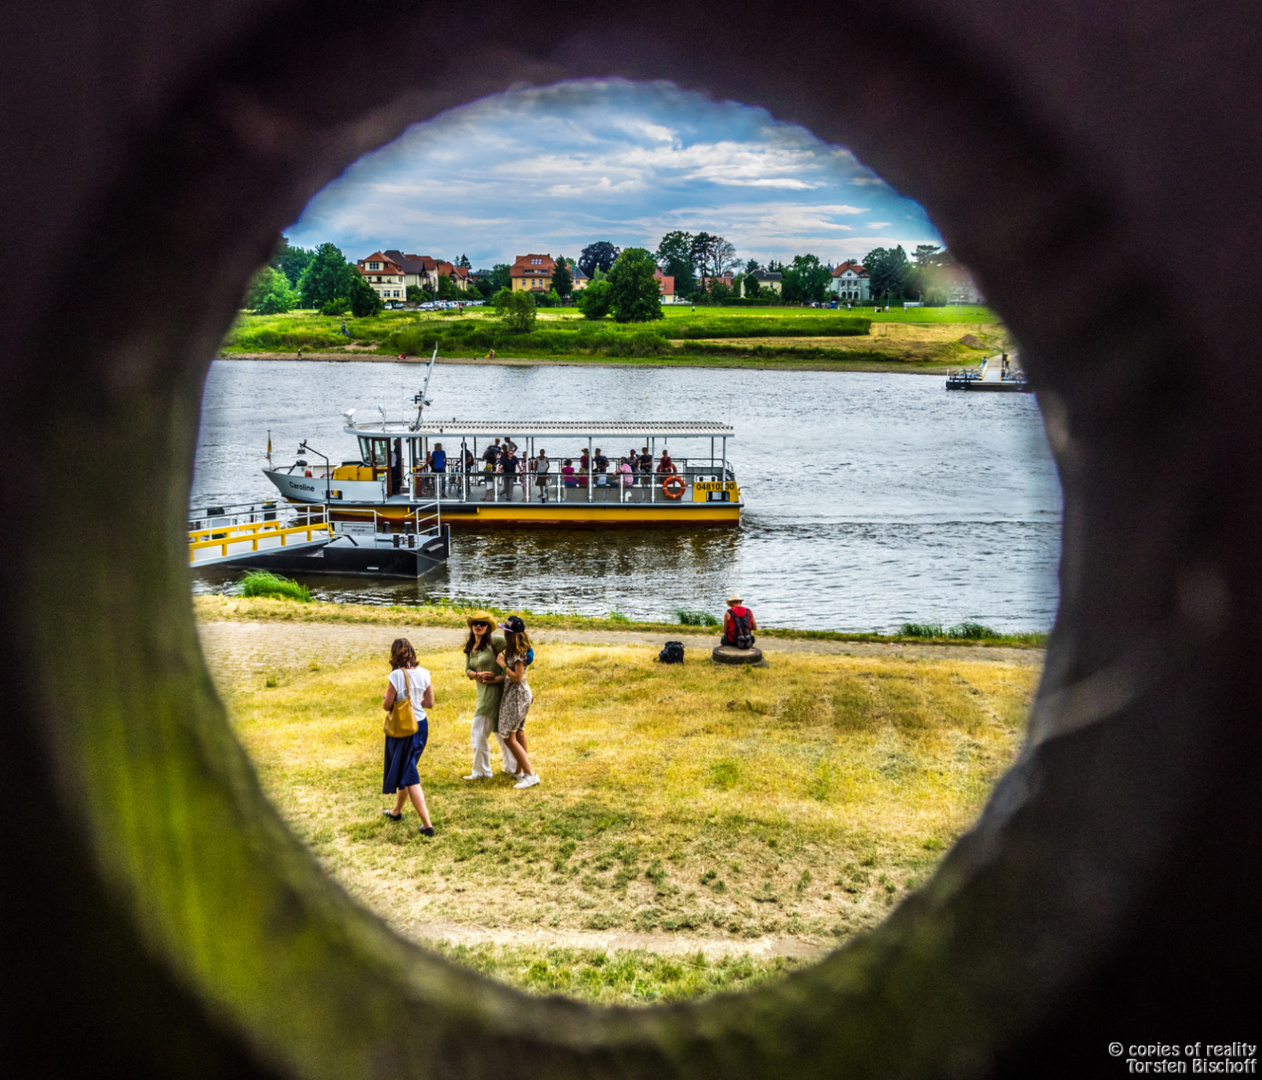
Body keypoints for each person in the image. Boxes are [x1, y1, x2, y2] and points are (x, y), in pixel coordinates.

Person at [380, 638, 435, 836]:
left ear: (394, 655)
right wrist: (416, 701)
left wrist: (390, 699)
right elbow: (429, 702)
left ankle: (427, 824)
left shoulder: (396, 675)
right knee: (407, 768)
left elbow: (387, 705)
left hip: (403, 729)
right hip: (421, 726)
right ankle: (396, 811)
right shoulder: (425, 673)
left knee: (410, 774)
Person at [463, 611, 519, 780]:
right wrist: (477, 675)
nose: (478, 626)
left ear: (488, 627)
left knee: (478, 732)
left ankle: (482, 772)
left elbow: (519, 658)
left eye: (482, 623)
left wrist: (498, 677)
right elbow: (467, 670)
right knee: (500, 732)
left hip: (495, 693)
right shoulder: (470, 647)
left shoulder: (496, 642)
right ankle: (512, 768)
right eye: (475, 623)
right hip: (482, 693)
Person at [496, 616, 539, 789]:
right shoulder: (515, 650)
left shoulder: (518, 653)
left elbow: (517, 678)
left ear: (512, 635)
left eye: (506, 631)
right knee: (519, 732)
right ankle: (519, 771)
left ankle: (530, 774)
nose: (504, 634)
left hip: (516, 696)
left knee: (508, 736)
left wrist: (502, 664)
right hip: (519, 695)